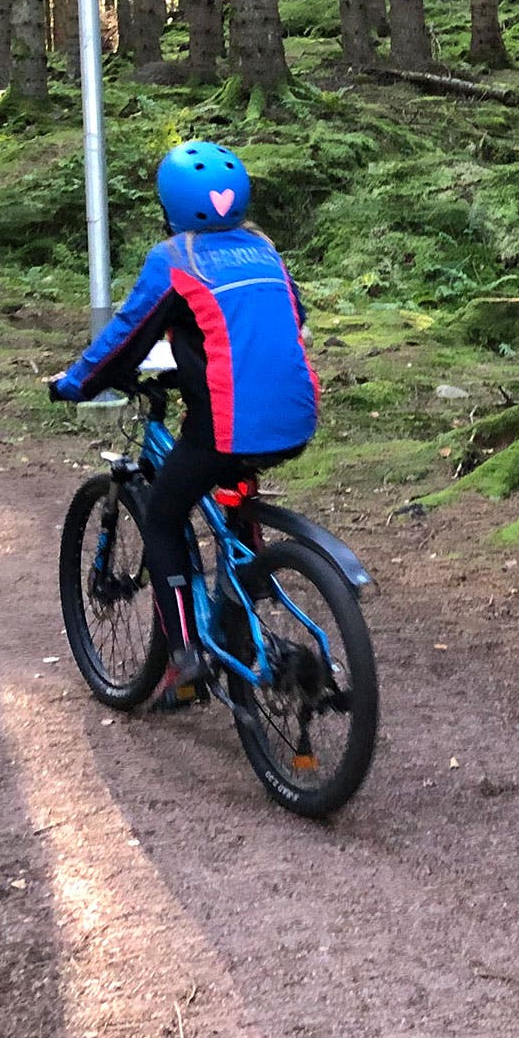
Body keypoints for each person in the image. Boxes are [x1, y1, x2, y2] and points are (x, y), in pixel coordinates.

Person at [49, 141, 320, 709]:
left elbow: (125, 335)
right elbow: (286, 317)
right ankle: (242, 603)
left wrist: (75, 384)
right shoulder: (265, 249)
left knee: (167, 516)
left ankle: (185, 655)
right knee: (230, 497)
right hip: (297, 413)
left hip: (226, 423)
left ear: (168, 204)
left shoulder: (177, 258)